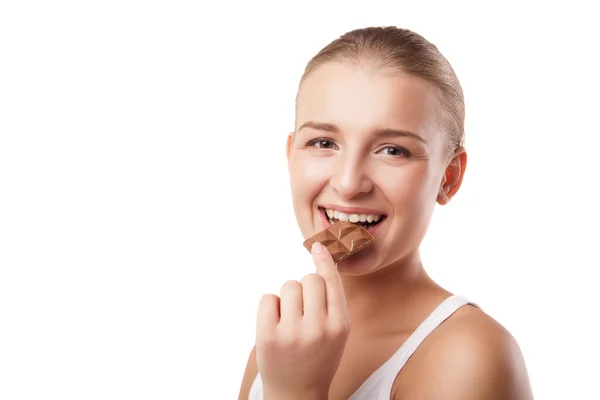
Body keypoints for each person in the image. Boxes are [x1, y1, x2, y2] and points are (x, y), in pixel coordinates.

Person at [238, 26, 534, 400]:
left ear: (449, 177)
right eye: (323, 142)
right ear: (291, 155)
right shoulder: (284, 340)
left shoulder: (471, 355)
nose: (348, 183)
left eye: (393, 150)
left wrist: (297, 392)